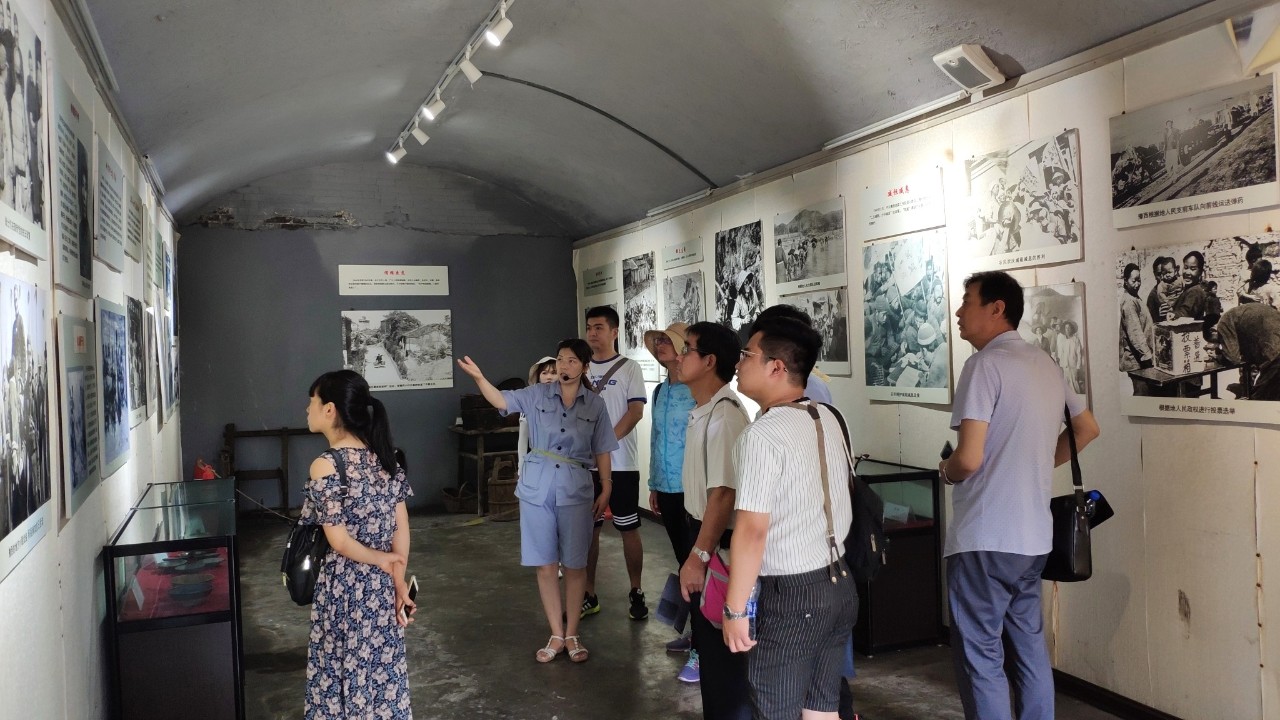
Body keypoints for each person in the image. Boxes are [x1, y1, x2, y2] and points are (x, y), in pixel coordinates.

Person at [940, 271, 1100, 720]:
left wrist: (945, 471)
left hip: (985, 537)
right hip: (1033, 540)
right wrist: (1035, 463)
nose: (958, 312)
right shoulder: (1046, 363)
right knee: (1029, 650)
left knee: (981, 655)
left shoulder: (983, 365)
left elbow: (968, 459)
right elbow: (1087, 428)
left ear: (997, 309)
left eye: (967, 301)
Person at [723, 316, 857, 720]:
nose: (738, 363)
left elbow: (752, 531)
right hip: (839, 584)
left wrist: (735, 610)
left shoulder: (761, 435)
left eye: (747, 354)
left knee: (775, 710)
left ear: (776, 367)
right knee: (822, 710)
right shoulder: (829, 416)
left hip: (794, 598)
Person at [457, 340, 617, 663]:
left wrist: (607, 486)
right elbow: (501, 400)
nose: (563, 366)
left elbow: (602, 449)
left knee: (575, 564)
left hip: (576, 487)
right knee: (545, 564)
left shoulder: (595, 405)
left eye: (571, 361)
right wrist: (479, 378)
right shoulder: (537, 395)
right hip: (537, 486)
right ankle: (556, 633)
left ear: (584, 367)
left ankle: (572, 634)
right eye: (560, 360)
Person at [300, 370, 414, 719]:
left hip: (343, 589)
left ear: (329, 409)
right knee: (381, 674)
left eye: (312, 401)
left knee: (338, 673)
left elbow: (338, 540)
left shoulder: (325, 466)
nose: (307, 409)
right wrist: (397, 575)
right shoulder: (386, 458)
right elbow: (401, 528)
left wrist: (381, 561)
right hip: (381, 588)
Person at [675, 321, 752, 715]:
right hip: (703, 533)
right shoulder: (705, 410)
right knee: (709, 649)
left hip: (717, 544)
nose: (679, 357)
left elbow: (723, 494)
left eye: (687, 349)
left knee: (723, 659)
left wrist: (699, 555)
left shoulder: (725, 415)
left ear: (709, 361)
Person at [582, 306, 649, 620]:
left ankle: (636, 590)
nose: (592, 333)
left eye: (598, 327)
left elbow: (635, 412)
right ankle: (588, 593)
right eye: (589, 327)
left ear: (614, 332)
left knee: (628, 527)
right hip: (586, 466)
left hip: (622, 464)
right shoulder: (581, 368)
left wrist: (605, 442)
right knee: (589, 531)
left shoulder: (629, 368)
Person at [642, 322, 699, 667]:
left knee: (698, 564)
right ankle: (696, 634)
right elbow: (656, 439)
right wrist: (653, 483)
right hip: (666, 487)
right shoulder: (660, 391)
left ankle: (704, 644)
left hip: (691, 488)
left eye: (668, 340)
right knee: (683, 560)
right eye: (658, 341)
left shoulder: (696, 392)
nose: (660, 344)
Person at [1208, 304, 1280, 400]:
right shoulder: (1239, 313)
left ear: (1213, 330)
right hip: (1274, 348)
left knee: (1259, 400)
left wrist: (1217, 357)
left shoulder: (1224, 322)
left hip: (1274, 354)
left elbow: (1233, 358)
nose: (1221, 342)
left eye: (1218, 340)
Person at [517, 356, 558, 480]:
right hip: (539, 463)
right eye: (544, 373)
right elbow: (523, 438)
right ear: (538, 376)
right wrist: (521, 469)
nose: (549, 377)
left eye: (554, 373)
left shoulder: (569, 401)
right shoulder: (529, 402)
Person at [1119, 263, 1157, 396]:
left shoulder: (1134, 297)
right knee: (1142, 395)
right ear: (1125, 281)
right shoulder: (1129, 301)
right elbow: (1135, 333)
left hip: (1141, 359)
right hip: (1137, 360)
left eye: (1139, 280)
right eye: (1133, 281)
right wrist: (1148, 356)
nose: (1137, 284)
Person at [1172, 250, 1221, 321]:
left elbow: (1185, 313)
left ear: (1200, 272)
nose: (1187, 272)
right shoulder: (1189, 289)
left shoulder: (1194, 291)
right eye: (1185, 267)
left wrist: (1172, 314)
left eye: (1193, 269)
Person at [1146, 256, 1182, 323]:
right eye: (1159, 274)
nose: (1163, 277)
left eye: (1168, 272)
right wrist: (1160, 315)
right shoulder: (1153, 296)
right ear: (1155, 274)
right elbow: (1152, 321)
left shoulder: (1178, 286)